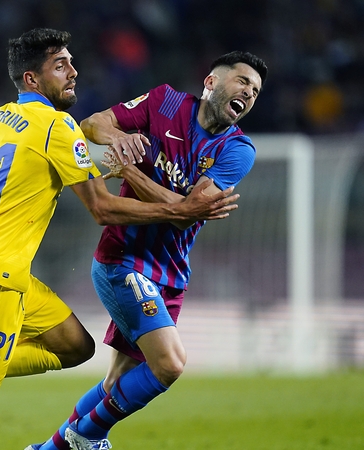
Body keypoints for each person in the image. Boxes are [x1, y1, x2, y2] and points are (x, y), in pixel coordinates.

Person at [0, 28, 240, 450]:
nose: (73, 72)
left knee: (74, 346)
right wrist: (177, 211)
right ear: (33, 79)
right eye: (61, 65)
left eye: (71, 62)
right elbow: (102, 209)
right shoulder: (57, 126)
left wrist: (3, 202)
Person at [28, 51, 268, 450]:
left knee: (116, 383)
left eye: (256, 91)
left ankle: (49, 448)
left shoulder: (238, 150)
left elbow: (184, 214)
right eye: (243, 81)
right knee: (169, 365)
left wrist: (128, 170)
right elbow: (91, 124)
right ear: (211, 82)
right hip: (123, 259)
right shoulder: (164, 102)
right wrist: (120, 140)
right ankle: (86, 437)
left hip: (171, 272)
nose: (250, 92)